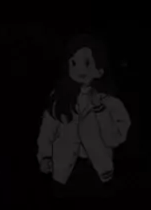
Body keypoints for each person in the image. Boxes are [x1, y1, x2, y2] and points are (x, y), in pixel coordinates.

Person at [37, 33, 130, 197]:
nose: (80, 69)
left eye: (87, 63)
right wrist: (44, 157)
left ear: (99, 70)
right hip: (64, 174)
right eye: (74, 63)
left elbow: (115, 139)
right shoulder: (59, 98)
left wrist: (100, 109)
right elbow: (47, 131)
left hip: (97, 174)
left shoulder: (111, 103)